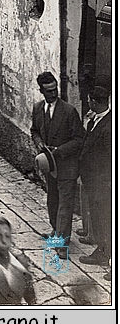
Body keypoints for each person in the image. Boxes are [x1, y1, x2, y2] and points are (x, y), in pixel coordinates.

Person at [30, 71, 84, 257]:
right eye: (49, 91)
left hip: (67, 166)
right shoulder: (38, 109)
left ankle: (62, 244)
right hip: (50, 167)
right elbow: (34, 131)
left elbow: (79, 139)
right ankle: (56, 231)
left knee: (65, 205)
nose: (53, 94)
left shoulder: (69, 111)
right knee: (52, 201)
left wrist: (59, 150)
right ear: (41, 91)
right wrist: (38, 143)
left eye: (55, 90)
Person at [78, 86, 112, 267]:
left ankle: (103, 253)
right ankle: (100, 246)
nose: (88, 103)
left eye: (90, 101)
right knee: (96, 215)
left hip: (102, 182)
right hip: (91, 179)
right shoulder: (94, 120)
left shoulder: (109, 126)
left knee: (102, 217)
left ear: (96, 102)